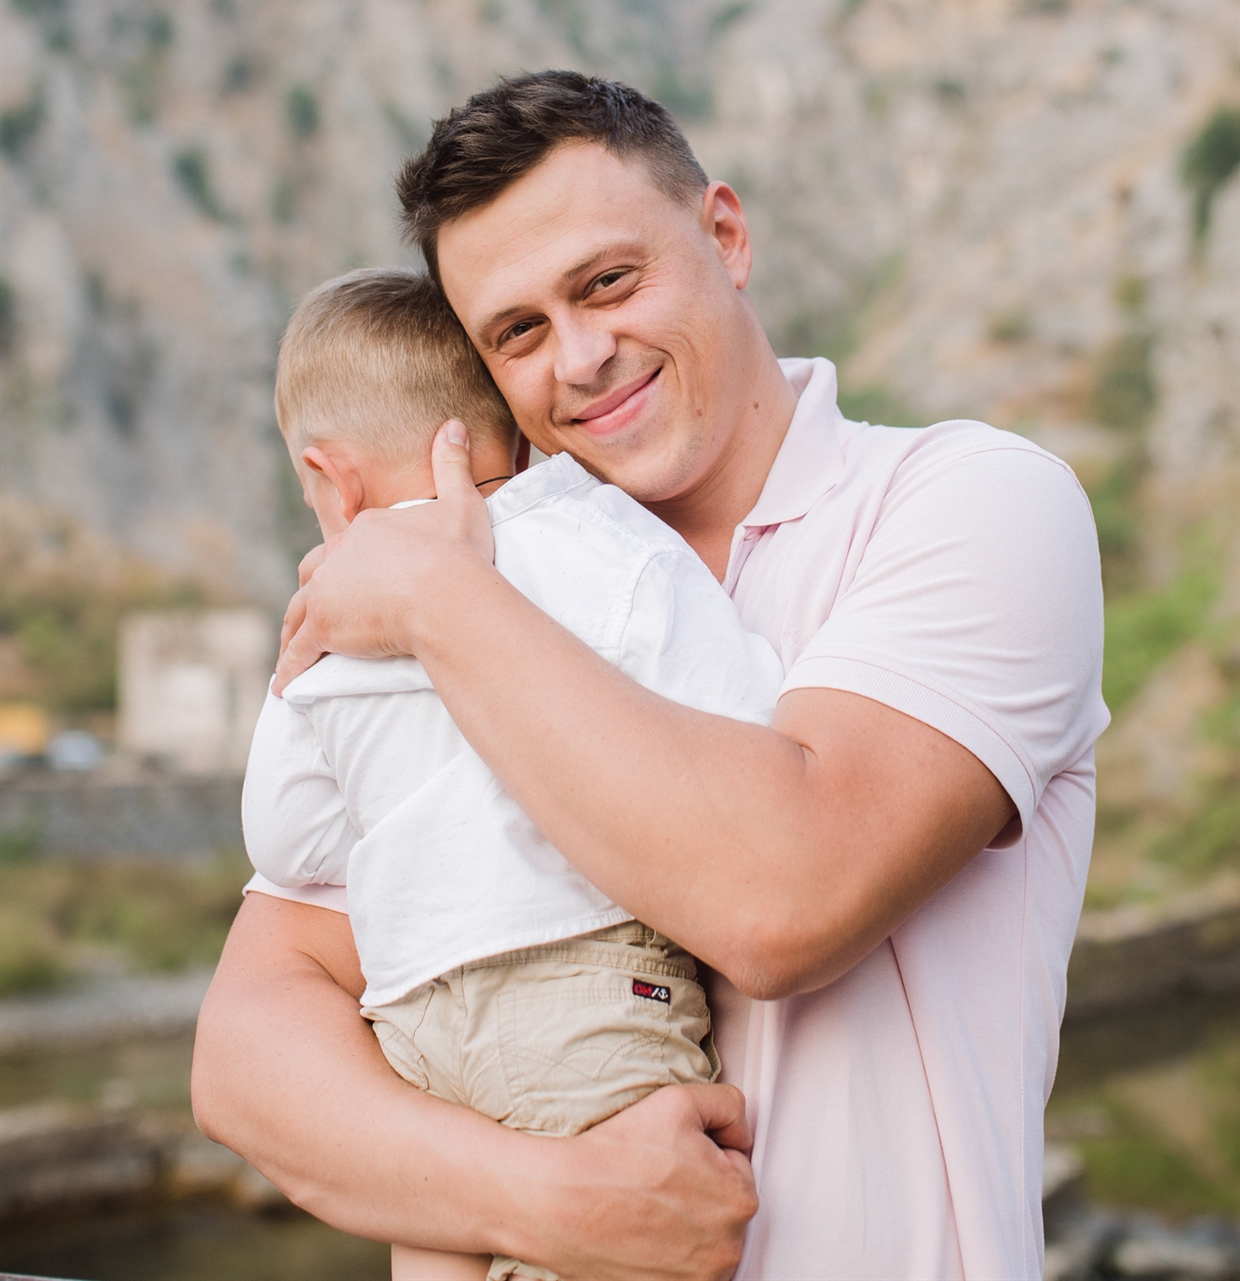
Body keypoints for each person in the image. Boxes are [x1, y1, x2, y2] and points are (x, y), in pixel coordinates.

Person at [194, 72, 1108, 1280]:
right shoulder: (499, 578)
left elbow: (784, 901)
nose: (580, 357)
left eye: (608, 282)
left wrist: (433, 599)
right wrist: (546, 1200)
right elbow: (247, 1056)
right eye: (518, 333)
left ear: (724, 235)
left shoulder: (967, 504)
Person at [243, 265, 780, 1280]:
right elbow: (740, 720)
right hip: (586, 992)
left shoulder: (328, 615)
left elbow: (286, 838)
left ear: (331, 480)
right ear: (517, 432)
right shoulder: (603, 537)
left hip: (413, 1013)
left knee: (452, 1237)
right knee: (629, 1237)